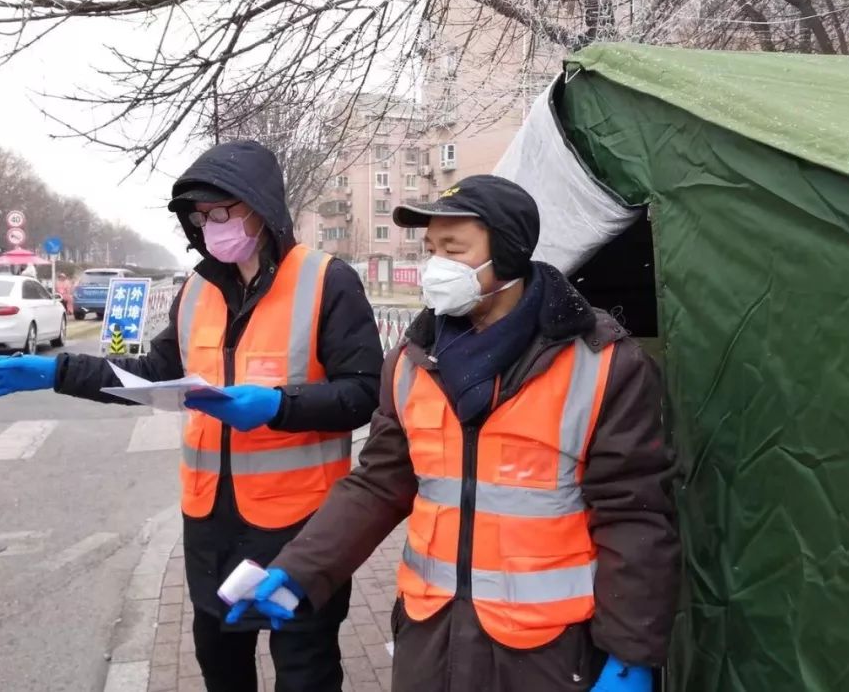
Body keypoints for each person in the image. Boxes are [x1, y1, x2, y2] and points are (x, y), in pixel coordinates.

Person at [229, 175, 680, 692]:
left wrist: (630, 655)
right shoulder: (411, 361)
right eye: (430, 250)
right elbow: (378, 483)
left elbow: (635, 515)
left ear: (508, 255)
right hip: (431, 639)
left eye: (454, 248)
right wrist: (301, 568)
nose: (436, 266)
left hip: (548, 652)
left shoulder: (604, 365)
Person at [0, 140, 384, 692]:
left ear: (261, 208)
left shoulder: (327, 281)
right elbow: (151, 375)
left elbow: (364, 393)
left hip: (300, 526)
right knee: (220, 662)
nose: (211, 226)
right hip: (211, 522)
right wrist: (55, 372)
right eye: (201, 217)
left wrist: (278, 406)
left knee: (305, 668)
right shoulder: (197, 289)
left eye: (223, 212)